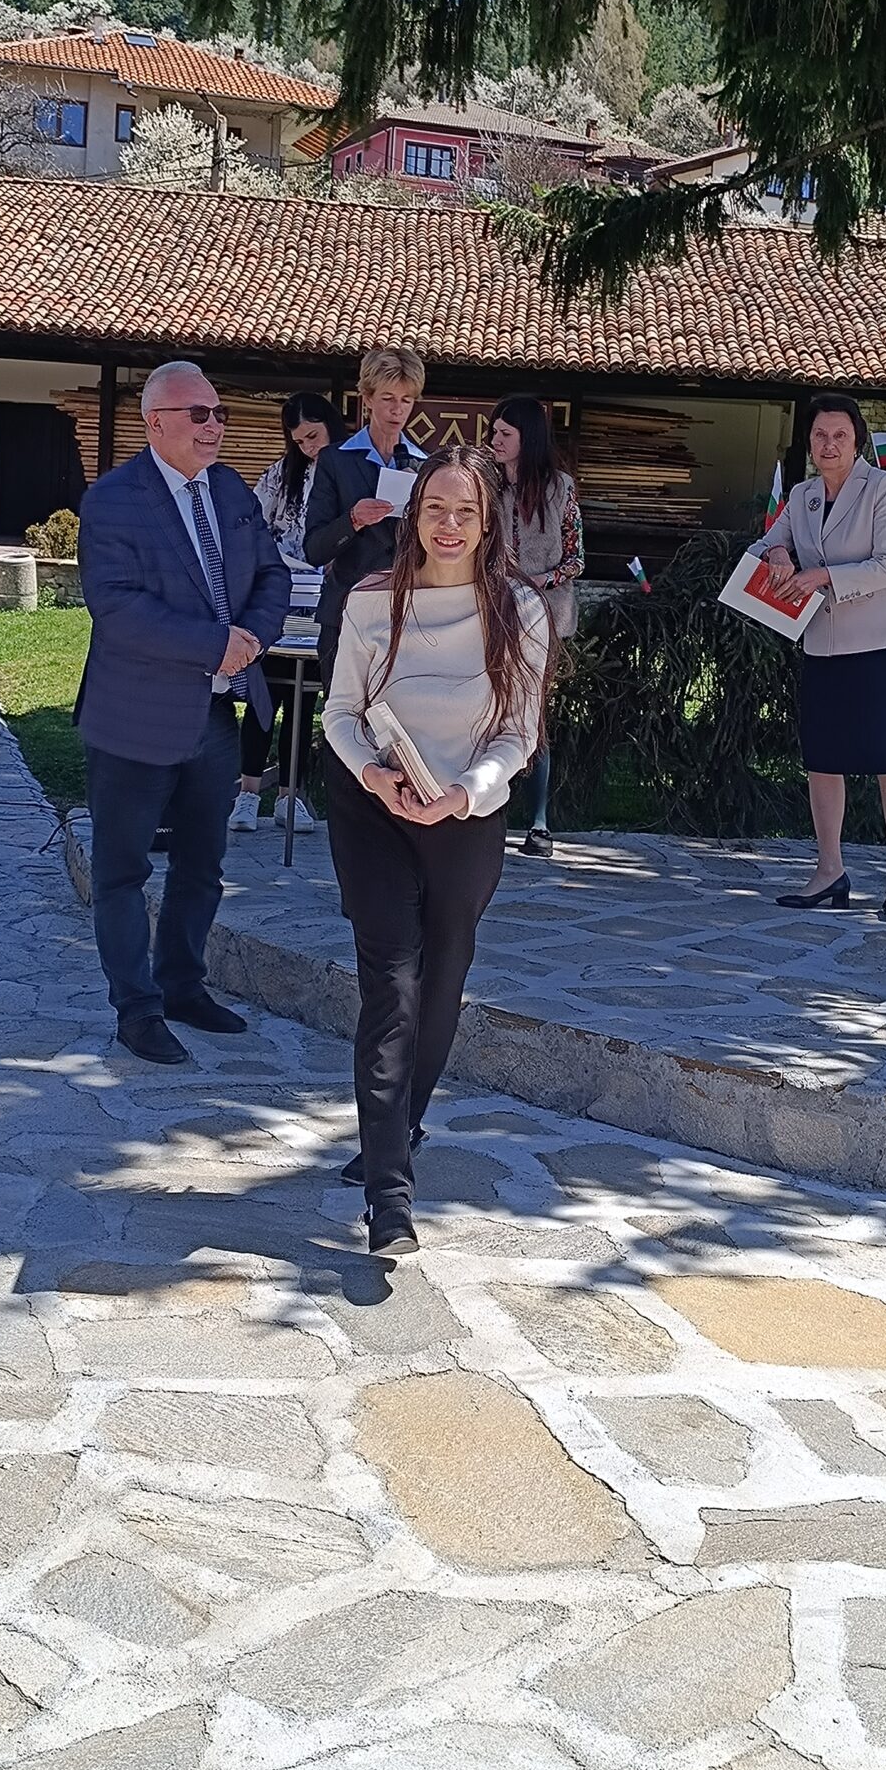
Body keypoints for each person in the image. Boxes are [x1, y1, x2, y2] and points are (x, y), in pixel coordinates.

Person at [324, 443, 552, 1258]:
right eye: (435, 508)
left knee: (443, 979)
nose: (448, 524)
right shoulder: (371, 600)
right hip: (374, 808)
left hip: (465, 813)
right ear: (413, 515)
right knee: (391, 983)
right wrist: (373, 776)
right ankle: (390, 1201)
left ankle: (400, 1125)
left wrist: (464, 794)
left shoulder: (519, 610)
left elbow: (518, 734)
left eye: (466, 511)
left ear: (489, 523)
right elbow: (339, 713)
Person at [75, 360, 291, 1062]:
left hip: (214, 717)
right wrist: (212, 645)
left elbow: (272, 573)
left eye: (219, 412)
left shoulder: (229, 489)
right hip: (133, 719)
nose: (214, 425)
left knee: (203, 865)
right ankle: (136, 1010)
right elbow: (117, 607)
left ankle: (182, 985)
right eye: (199, 414)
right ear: (156, 422)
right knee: (122, 871)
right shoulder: (114, 500)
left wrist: (251, 637)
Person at [750, 391, 886, 921]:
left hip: (884, 642)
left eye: (840, 435)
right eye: (820, 435)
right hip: (823, 643)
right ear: (809, 442)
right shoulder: (801, 494)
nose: (829, 444)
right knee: (822, 759)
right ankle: (829, 870)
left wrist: (819, 575)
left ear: (857, 442)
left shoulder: (883, 488)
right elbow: (767, 544)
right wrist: (778, 552)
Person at [233, 390, 348, 834]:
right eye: (299, 441)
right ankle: (247, 794)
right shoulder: (280, 475)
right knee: (264, 696)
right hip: (278, 597)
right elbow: (251, 526)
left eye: (314, 436)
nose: (308, 447)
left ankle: (290, 796)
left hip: (325, 598)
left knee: (303, 702)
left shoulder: (350, 471)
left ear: (331, 427)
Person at [488, 394, 583, 857]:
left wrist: (537, 581)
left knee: (532, 713)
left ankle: (540, 823)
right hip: (492, 611)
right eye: (493, 432)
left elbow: (576, 558)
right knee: (487, 710)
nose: (495, 440)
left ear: (528, 438)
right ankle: (486, 813)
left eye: (505, 433)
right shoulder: (486, 484)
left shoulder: (560, 488)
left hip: (544, 617)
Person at [302, 345, 428, 688]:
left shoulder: (426, 465)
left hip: (404, 617)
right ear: (367, 398)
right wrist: (353, 520)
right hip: (345, 611)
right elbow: (314, 549)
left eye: (406, 400)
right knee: (342, 716)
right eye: (388, 398)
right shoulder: (335, 461)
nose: (397, 409)